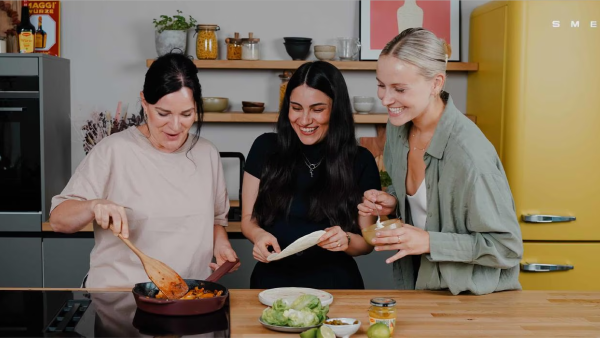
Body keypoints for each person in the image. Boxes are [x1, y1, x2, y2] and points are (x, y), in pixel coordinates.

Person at [49, 53, 238, 288]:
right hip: (119, 299)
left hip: (189, 297)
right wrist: (93, 205)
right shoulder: (113, 150)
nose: (176, 126)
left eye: (187, 114)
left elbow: (216, 220)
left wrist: (221, 244)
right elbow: (58, 220)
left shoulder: (207, 153)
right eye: (163, 113)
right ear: (144, 103)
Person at [358, 28, 523, 295]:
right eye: (381, 85)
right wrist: (395, 201)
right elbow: (433, 206)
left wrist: (428, 242)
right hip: (423, 294)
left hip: (475, 304)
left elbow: (507, 247)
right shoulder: (399, 130)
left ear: (436, 83)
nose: (386, 99)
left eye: (399, 89)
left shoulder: (469, 155)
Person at [242, 61, 381, 289]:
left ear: (336, 109)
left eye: (317, 110)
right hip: (271, 283)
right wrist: (257, 236)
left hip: (337, 285)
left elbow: (366, 243)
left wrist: (345, 240)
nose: (305, 120)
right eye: (296, 108)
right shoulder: (264, 147)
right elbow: (248, 220)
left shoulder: (361, 160)